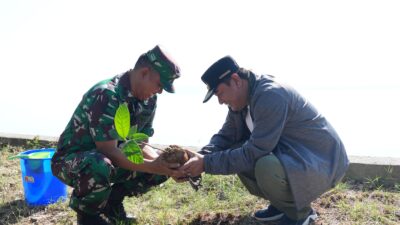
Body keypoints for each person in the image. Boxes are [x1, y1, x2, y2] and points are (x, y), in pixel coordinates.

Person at [180, 56, 349, 225]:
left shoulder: (270, 95)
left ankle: (300, 214)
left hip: (324, 163)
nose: (220, 101)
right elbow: (226, 136)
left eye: (219, 93)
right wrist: (200, 156)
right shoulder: (242, 100)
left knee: (264, 165)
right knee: (237, 150)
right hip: (298, 159)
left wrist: (206, 163)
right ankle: (282, 206)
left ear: (236, 80)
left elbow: (254, 152)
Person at [51, 45, 185, 225]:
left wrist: (164, 166)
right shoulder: (107, 94)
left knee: (165, 163)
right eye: (160, 85)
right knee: (99, 164)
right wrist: (153, 166)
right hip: (72, 162)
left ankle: (112, 204)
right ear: (144, 72)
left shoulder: (149, 100)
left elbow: (140, 144)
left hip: (110, 158)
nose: (160, 91)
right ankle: (88, 216)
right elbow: (109, 151)